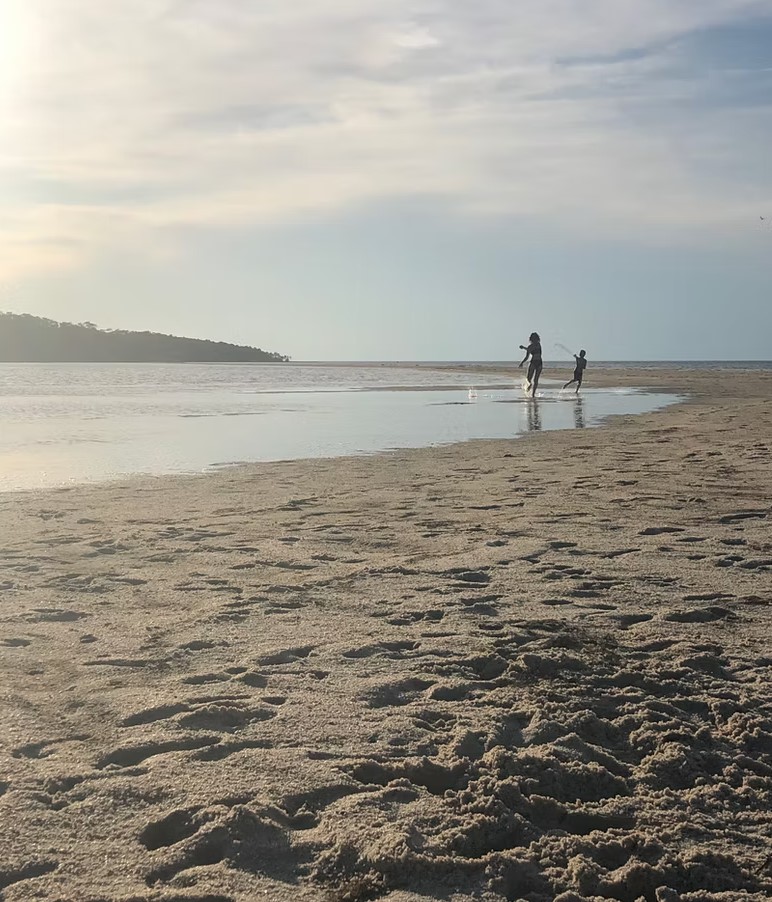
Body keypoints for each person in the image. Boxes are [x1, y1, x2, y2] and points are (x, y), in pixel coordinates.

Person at [519, 332, 542, 397]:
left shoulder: (533, 346)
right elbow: (529, 353)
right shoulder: (537, 345)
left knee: (532, 379)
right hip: (537, 362)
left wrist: (522, 363)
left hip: (536, 362)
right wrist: (524, 348)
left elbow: (529, 352)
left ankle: (531, 389)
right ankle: (532, 390)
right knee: (532, 379)